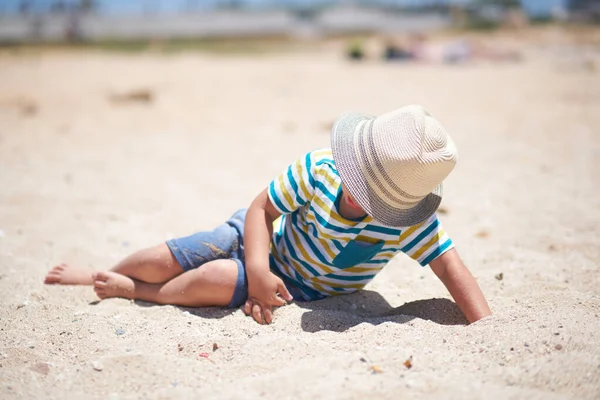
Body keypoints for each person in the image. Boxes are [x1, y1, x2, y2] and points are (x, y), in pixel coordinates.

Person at [44, 105, 491, 325]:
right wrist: (257, 268)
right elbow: (263, 208)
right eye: (356, 180)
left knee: (218, 279)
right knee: (191, 249)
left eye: (374, 199)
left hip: (297, 286)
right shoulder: (320, 169)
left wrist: (486, 327)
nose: (357, 197)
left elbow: (450, 267)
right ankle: (104, 273)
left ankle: (138, 292)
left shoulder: (408, 220)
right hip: (258, 238)